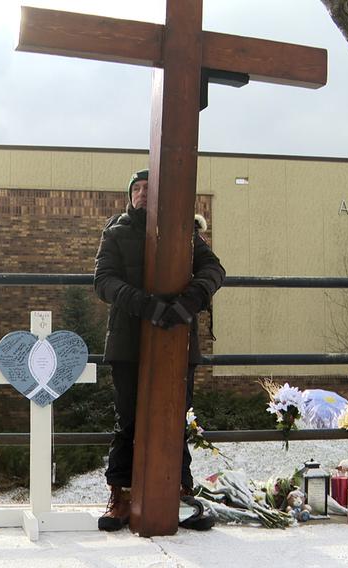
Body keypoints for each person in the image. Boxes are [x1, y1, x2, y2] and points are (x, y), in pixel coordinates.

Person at [94, 168, 226, 532]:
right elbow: (103, 282)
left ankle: (179, 493)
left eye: (148, 188)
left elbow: (214, 270)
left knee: (176, 418)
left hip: (177, 341)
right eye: (135, 188)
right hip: (127, 341)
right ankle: (120, 496)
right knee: (128, 419)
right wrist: (147, 305)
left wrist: (187, 304)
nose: (141, 193)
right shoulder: (116, 232)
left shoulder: (186, 233)